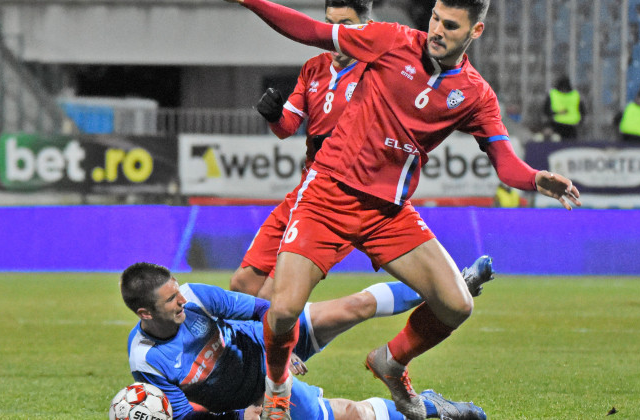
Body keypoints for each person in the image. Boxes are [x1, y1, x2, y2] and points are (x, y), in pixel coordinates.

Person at [221, 1, 582, 419]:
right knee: (282, 310)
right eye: (434, 18)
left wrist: (536, 179)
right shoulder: (389, 40)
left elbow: (505, 163)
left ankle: (390, 362)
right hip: (328, 196)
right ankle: (277, 392)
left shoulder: (475, 94)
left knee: (456, 304)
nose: (437, 30)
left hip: (388, 213)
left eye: (450, 25)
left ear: (475, 31)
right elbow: (309, 31)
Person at [230, 0, 491, 302]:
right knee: (244, 284)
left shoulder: (379, 65)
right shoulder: (314, 69)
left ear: (364, 29)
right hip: (312, 187)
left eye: (346, 24)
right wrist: (274, 115)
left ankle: (452, 285)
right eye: (331, 22)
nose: (337, 32)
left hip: (353, 195)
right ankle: (266, 345)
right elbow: (286, 127)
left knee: (279, 298)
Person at [121, 262, 489, 420]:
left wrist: (278, 348)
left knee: (355, 305)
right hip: (259, 394)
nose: (181, 300)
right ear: (145, 314)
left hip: (266, 343)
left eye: (176, 292)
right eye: (170, 301)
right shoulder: (145, 360)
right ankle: (430, 407)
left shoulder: (195, 297)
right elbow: (184, 416)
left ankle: (452, 282)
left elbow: (262, 309)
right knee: (345, 414)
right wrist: (243, 413)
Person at [542, 75, 586, 141]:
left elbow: (546, 110)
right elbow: (582, 111)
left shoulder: (552, 94)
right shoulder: (576, 95)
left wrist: (554, 114)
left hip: (562, 126)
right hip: (565, 126)